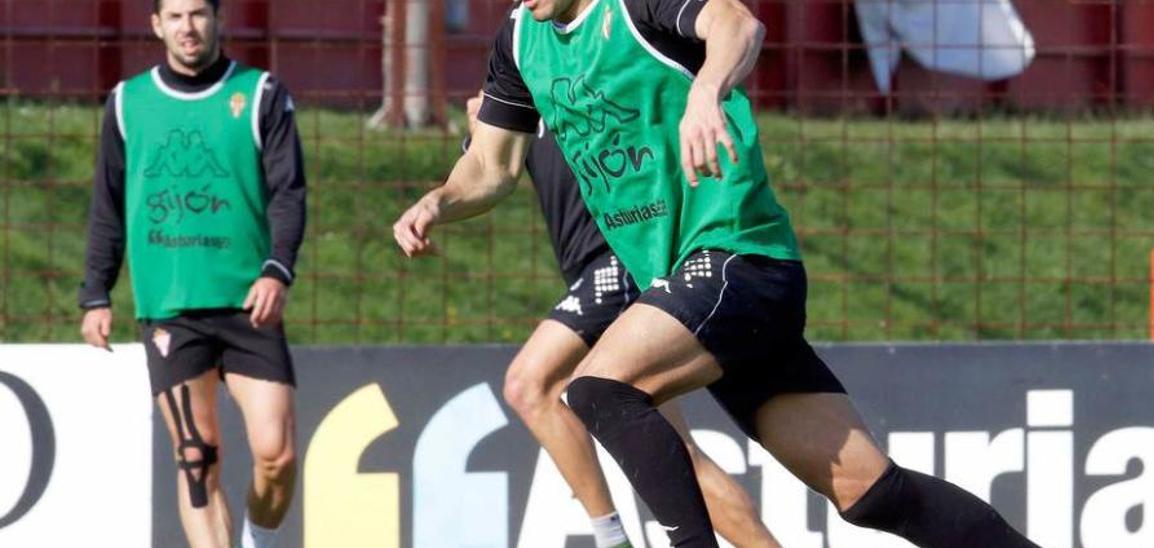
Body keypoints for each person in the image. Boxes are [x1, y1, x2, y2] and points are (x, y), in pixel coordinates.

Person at [393, 0, 1037, 546]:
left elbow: (738, 23)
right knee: (872, 494)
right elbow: (491, 167)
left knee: (596, 388)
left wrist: (707, 89)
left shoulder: (634, 5)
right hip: (695, 285)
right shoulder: (519, 40)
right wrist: (439, 201)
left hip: (739, 258)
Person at [461, 92, 779, 547]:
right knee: (680, 454)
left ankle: (610, 539)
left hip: (620, 262)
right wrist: (476, 140)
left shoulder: (593, 66)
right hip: (597, 270)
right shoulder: (519, 73)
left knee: (529, 385)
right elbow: (482, 172)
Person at [78, 1, 306, 546]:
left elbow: (288, 194)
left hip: (248, 304)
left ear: (219, 20)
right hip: (171, 309)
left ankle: (256, 537)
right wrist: (96, 293)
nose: (188, 27)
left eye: (199, 14)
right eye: (175, 16)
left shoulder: (260, 95)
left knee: (276, 456)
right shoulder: (128, 103)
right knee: (196, 457)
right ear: (156, 25)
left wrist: (277, 269)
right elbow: (107, 204)